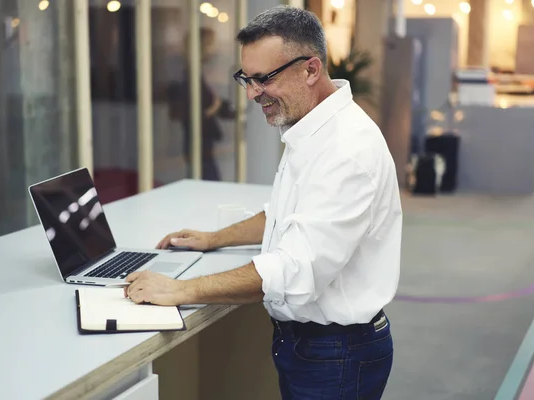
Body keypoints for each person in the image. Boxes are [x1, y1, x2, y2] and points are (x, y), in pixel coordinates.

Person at [125, 5, 402, 399]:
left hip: (336, 354)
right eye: (246, 78)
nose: (253, 93)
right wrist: (213, 239)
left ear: (311, 69)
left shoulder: (347, 149)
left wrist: (181, 290)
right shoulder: (314, 128)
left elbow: (295, 268)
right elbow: (285, 215)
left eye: (264, 79)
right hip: (315, 348)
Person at [167, 27, 235, 181]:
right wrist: (213, 108)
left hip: (200, 143)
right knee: (209, 183)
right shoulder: (188, 75)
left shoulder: (194, 73)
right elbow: (188, 110)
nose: (214, 49)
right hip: (197, 142)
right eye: (211, 44)